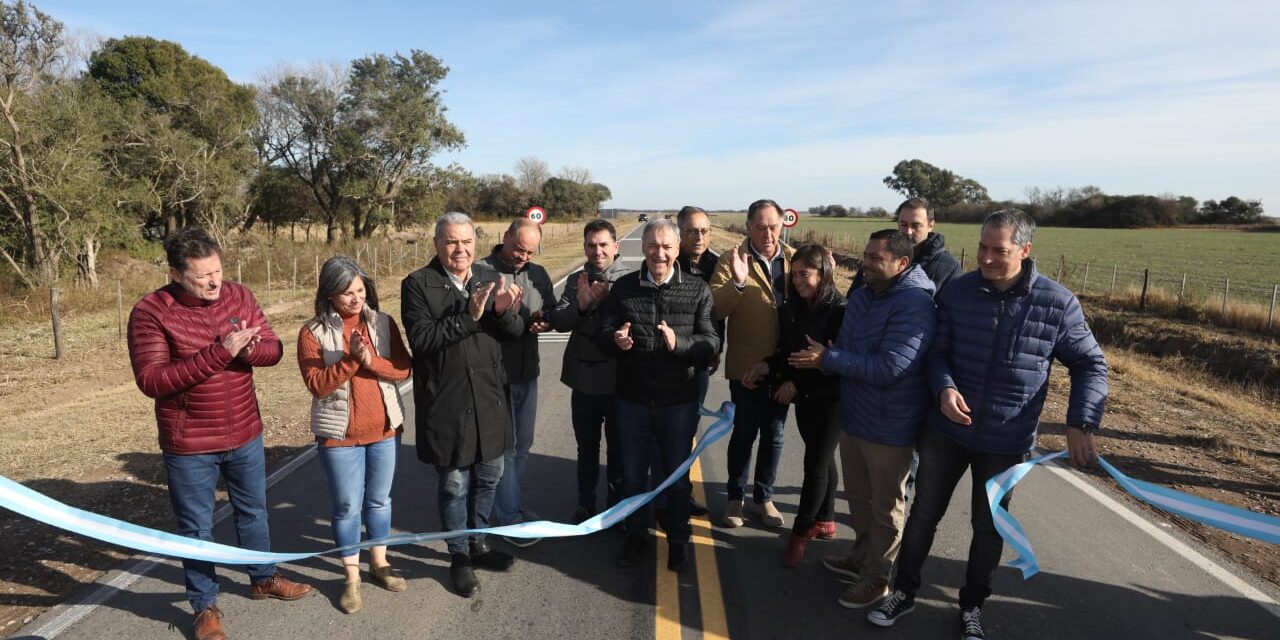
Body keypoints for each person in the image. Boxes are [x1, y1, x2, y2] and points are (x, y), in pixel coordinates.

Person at [868, 210, 1108, 640]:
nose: (988, 258)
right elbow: (936, 352)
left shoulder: (1057, 303)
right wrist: (943, 388)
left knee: (988, 526)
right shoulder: (958, 292)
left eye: (1000, 250)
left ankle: (972, 606)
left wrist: (1081, 422)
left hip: (1005, 441)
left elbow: (1090, 363)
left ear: (1025, 250)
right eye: (983, 248)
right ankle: (903, 592)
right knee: (924, 514)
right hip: (946, 431)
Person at [128, 228, 312, 640]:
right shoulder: (151, 312)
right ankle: (205, 605)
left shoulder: (239, 296)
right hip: (190, 442)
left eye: (218, 271)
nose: (214, 283)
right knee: (196, 529)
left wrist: (249, 351)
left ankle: (263, 577)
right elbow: (152, 380)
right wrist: (219, 353)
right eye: (201, 276)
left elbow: (274, 350)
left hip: (245, 430)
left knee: (254, 512)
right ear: (175, 273)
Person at [808, 231, 936, 608]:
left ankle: (878, 578)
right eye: (865, 255)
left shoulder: (916, 305)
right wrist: (832, 356)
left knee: (885, 508)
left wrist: (829, 360)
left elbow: (893, 366)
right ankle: (861, 557)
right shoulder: (862, 295)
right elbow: (847, 347)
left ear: (902, 264)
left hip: (890, 425)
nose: (865, 263)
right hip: (856, 415)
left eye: (875, 258)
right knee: (860, 500)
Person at [400, 212, 525, 598]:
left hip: (488, 398)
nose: (460, 249)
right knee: (454, 484)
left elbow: (516, 334)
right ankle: (458, 556)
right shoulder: (418, 284)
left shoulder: (490, 278)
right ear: (437, 244)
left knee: (489, 475)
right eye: (452, 242)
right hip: (447, 402)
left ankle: (479, 542)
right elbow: (422, 339)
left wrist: (504, 312)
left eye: (467, 241)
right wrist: (470, 317)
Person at [600, 219, 719, 572]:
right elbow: (605, 332)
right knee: (634, 476)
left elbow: (712, 341)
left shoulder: (698, 289)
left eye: (667, 246)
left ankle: (678, 540)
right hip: (632, 400)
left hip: (677, 402)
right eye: (653, 245)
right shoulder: (623, 288)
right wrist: (615, 340)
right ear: (644, 247)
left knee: (676, 477)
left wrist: (679, 344)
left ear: (678, 248)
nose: (659, 253)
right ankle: (636, 535)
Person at [297, 256, 411, 614]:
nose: (355, 298)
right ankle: (351, 579)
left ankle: (380, 564)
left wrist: (371, 361)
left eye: (360, 290)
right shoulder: (312, 333)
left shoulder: (384, 323)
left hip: (384, 430)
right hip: (339, 437)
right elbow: (317, 385)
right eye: (346, 292)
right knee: (347, 507)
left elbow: (403, 369)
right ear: (330, 294)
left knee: (379, 501)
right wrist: (351, 360)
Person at [740, 243, 846, 568]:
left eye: (806, 274)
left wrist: (795, 383)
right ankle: (826, 519)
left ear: (823, 273)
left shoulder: (840, 310)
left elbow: (839, 362)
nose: (799, 280)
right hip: (805, 400)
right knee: (822, 458)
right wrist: (767, 367)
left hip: (831, 400)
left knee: (814, 465)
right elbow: (788, 352)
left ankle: (800, 534)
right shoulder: (791, 308)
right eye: (795, 274)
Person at [710, 198, 795, 528]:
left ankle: (764, 498)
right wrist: (739, 282)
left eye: (774, 226)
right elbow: (716, 307)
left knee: (775, 435)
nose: (768, 233)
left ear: (782, 226)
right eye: (760, 227)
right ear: (748, 228)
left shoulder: (792, 259)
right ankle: (735, 498)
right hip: (746, 366)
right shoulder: (731, 260)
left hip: (784, 365)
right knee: (744, 434)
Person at [546, 219, 633, 522]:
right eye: (591, 245)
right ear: (584, 247)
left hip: (621, 380)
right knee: (586, 447)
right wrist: (581, 307)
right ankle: (585, 502)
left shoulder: (632, 278)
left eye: (603, 245)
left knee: (620, 449)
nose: (597, 251)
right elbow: (560, 319)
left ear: (615, 246)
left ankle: (616, 506)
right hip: (584, 379)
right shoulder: (575, 279)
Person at [480, 219, 556, 546]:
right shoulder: (480, 271)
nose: (523, 256)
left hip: (529, 372)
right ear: (505, 237)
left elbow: (551, 308)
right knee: (506, 451)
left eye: (530, 251)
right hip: (496, 377)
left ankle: (509, 504)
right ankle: (509, 518)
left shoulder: (537, 273)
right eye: (518, 249)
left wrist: (544, 321)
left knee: (523, 447)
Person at [675, 205, 722, 518]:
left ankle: (682, 494)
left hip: (700, 363)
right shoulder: (668, 262)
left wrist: (718, 350)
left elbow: (721, 316)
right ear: (680, 233)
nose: (698, 237)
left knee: (686, 431)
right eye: (691, 231)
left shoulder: (719, 266)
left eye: (704, 230)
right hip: (667, 361)